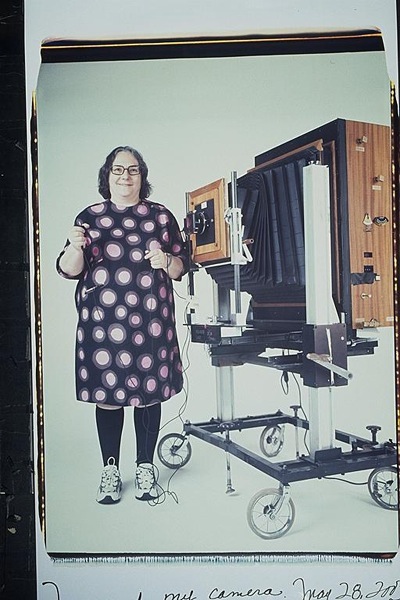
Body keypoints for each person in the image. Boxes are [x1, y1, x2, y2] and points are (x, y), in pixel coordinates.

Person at [56, 146, 188, 504]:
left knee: (149, 394)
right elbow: (68, 269)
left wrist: (166, 260)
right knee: (108, 397)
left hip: (151, 323)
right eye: (118, 169)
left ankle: (145, 467)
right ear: (107, 175)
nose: (125, 176)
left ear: (142, 176)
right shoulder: (89, 217)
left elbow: (181, 268)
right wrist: (74, 246)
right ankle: (110, 470)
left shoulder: (161, 217)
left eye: (133, 170)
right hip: (103, 325)